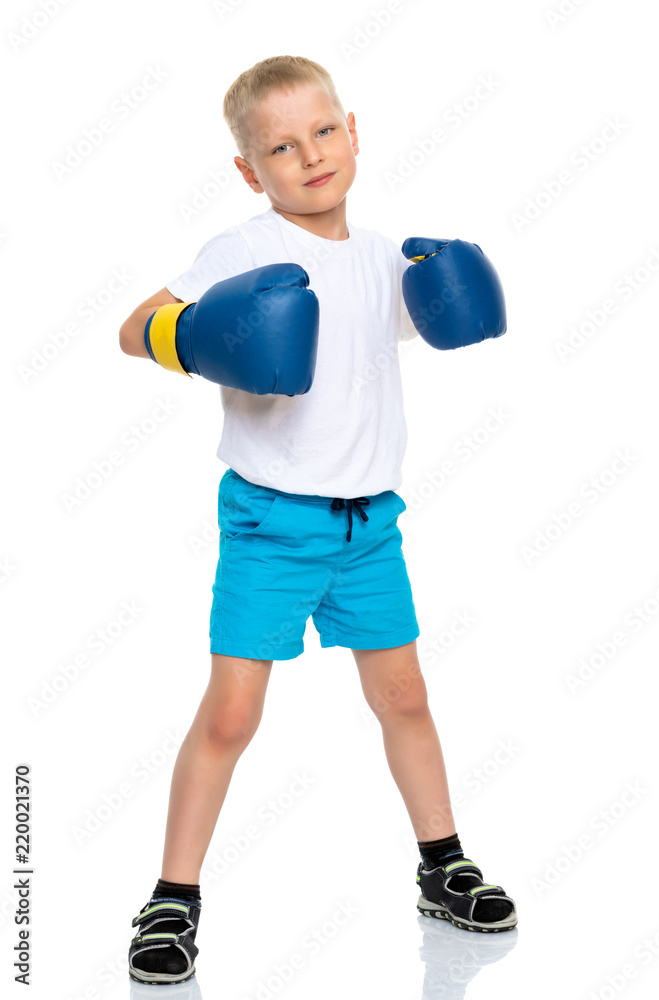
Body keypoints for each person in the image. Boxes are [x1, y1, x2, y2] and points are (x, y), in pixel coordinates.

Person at [120, 54, 516, 986]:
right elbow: (135, 325)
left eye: (324, 131)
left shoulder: (382, 255)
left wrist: (451, 291)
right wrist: (195, 335)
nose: (311, 156)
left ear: (355, 129)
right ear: (250, 170)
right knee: (231, 715)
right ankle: (172, 898)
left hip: (371, 524)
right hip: (268, 523)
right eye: (282, 147)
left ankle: (443, 866)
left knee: (405, 697)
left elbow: (422, 323)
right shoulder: (243, 251)